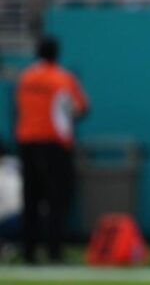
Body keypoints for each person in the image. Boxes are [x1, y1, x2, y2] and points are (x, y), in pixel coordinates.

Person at [15, 37, 89, 264]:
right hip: (54, 145)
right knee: (57, 200)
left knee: (31, 200)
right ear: (56, 54)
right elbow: (81, 109)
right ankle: (54, 252)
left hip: (27, 143)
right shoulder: (63, 78)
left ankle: (29, 252)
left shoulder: (25, 78)